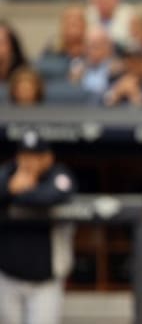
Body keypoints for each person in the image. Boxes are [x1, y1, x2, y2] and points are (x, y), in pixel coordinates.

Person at [0, 129, 76, 324]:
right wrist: (8, 188)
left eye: (35, 156)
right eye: (25, 156)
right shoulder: (7, 173)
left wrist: (18, 192)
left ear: (48, 158)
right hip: (8, 277)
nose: (29, 161)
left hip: (45, 282)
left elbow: (50, 196)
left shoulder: (59, 174)